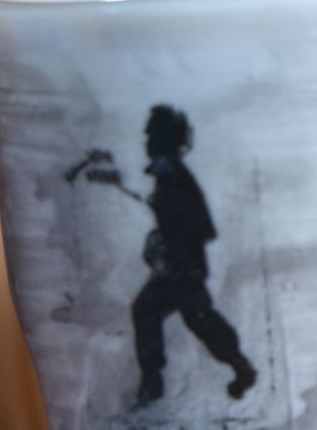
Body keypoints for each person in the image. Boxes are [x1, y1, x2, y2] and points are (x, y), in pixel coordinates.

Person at [105, 105, 256, 407]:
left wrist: (166, 243)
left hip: (182, 267)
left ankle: (157, 382)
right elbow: (166, 209)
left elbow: (190, 222)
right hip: (182, 265)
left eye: (151, 137)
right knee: (192, 317)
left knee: (172, 315)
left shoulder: (171, 173)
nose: (147, 143)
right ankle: (238, 368)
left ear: (162, 141)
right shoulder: (171, 173)